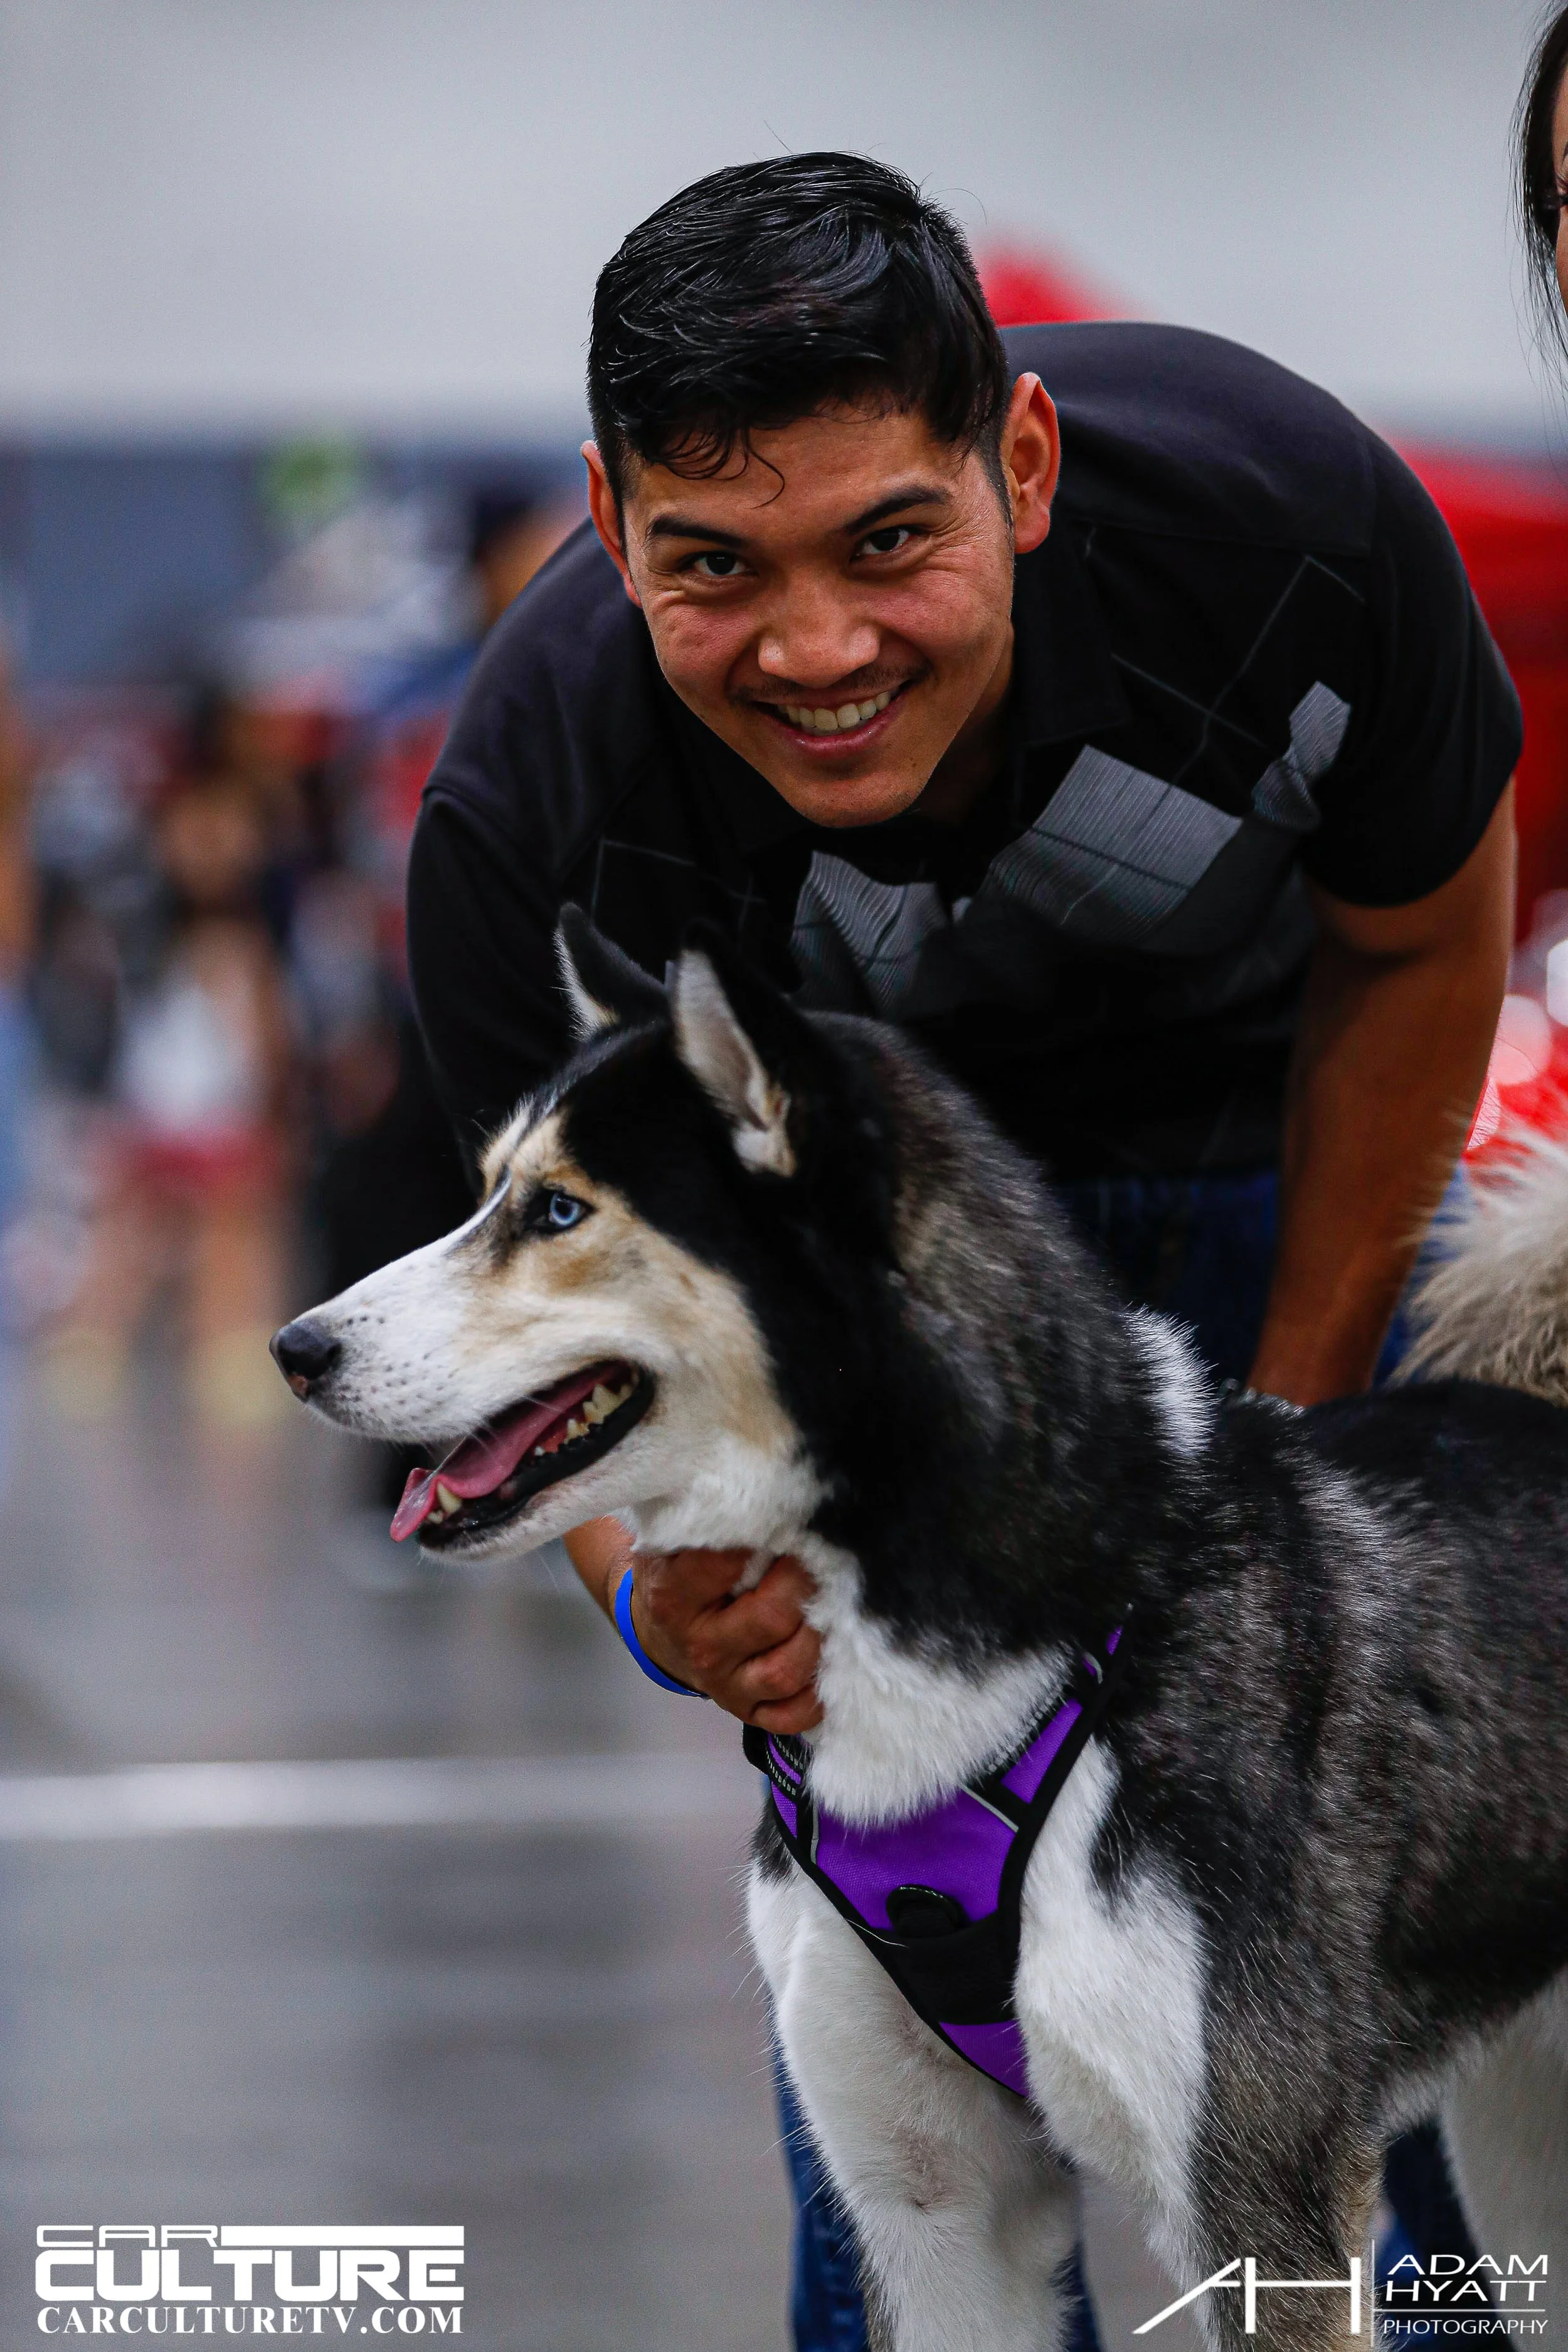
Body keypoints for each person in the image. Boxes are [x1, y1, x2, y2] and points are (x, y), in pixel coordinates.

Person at [406, 156, 1520, 2349]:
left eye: (886, 543)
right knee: (901, 1970)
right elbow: (575, 1324)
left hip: (1258, 1153)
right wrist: (664, 1597)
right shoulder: (527, 828)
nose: (813, 649)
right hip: (849, 1308)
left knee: (1343, 1900)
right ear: (613, 521)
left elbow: (1418, 933)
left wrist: (1290, 1430)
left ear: (1016, 464)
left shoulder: (1285, 531)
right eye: (711, 566)